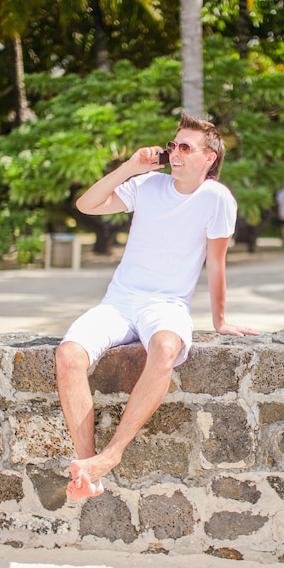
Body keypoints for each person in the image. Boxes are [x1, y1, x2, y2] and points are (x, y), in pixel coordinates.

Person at [55, 114, 259, 500]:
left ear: (209, 158)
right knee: (68, 355)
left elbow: (216, 263)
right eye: (172, 145)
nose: (174, 152)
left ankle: (111, 454)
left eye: (186, 147)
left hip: (166, 304)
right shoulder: (148, 184)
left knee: (164, 348)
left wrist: (220, 321)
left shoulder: (217, 199)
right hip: (120, 300)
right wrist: (130, 167)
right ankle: (89, 470)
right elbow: (86, 204)